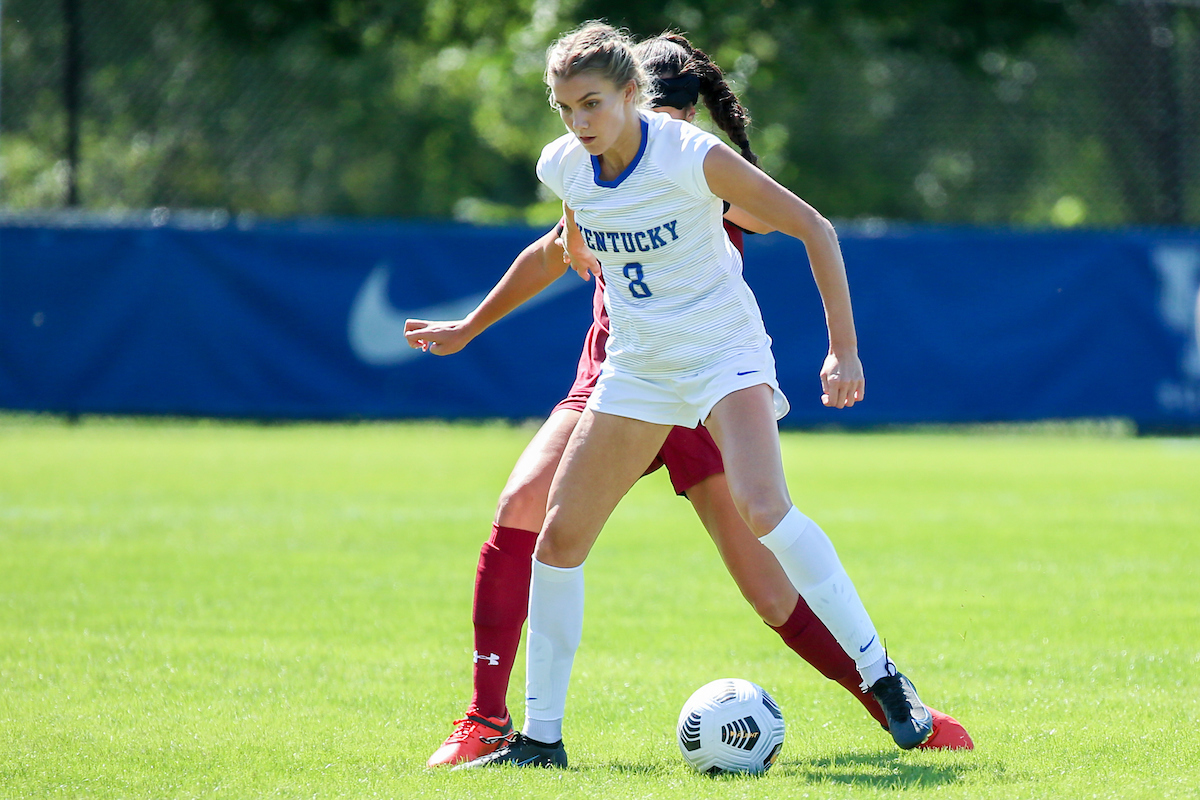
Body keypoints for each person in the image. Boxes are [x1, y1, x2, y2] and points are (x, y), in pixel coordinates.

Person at [408, 27, 969, 769]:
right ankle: (535, 738)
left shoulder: (692, 158)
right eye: (565, 106)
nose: (579, 121)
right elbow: (567, 239)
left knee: (766, 524)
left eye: (594, 104)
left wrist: (844, 350)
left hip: (719, 363)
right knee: (553, 534)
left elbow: (807, 225)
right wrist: (482, 316)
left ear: (636, 98)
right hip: (634, 371)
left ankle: (884, 682)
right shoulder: (567, 165)